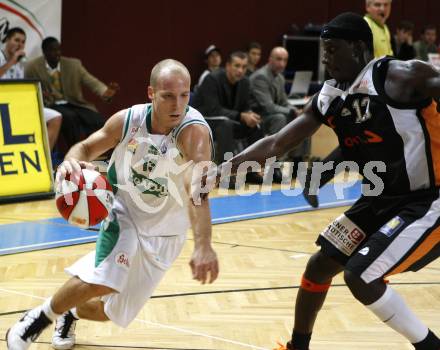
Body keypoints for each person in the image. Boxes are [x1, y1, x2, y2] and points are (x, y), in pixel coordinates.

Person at [215, 12, 440, 350]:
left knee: (360, 275)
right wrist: (223, 169)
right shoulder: (331, 96)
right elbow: (278, 143)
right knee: (320, 267)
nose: (325, 57)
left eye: (333, 49)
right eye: (324, 50)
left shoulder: (401, 77)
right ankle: (298, 346)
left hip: (427, 200)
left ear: (359, 48)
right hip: (380, 199)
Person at [6, 59, 219, 350]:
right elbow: (85, 148)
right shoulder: (128, 121)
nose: (177, 104)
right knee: (106, 280)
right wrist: (70, 163)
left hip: (167, 233)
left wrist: (203, 244)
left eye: (184, 95)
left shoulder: (193, 133)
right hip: (125, 213)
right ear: (151, 93)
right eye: (168, 95)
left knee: (109, 312)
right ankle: (34, 321)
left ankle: (69, 311)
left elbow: (197, 194)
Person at [24, 37, 120, 149]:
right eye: (52, 50)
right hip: (51, 105)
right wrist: (41, 94)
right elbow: (30, 90)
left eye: (58, 49)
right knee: (70, 118)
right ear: (45, 52)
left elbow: (91, 81)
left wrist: (106, 92)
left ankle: (98, 150)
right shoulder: (32, 67)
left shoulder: (73, 65)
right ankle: (74, 151)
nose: (57, 53)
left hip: (74, 103)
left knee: (96, 119)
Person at [191, 51, 264, 173]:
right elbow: (214, 109)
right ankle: (227, 173)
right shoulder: (212, 79)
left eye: (244, 67)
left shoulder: (245, 82)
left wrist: (250, 114)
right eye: (237, 66)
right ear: (228, 66)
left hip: (230, 120)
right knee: (225, 125)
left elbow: (245, 106)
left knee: (255, 126)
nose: (240, 70)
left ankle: (253, 171)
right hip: (206, 121)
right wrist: (241, 115)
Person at [0, 27, 62, 150]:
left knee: (56, 117)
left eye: (23, 42)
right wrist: (12, 61)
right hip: (2, 106)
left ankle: (44, 160)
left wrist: (38, 93)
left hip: (15, 105)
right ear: (7, 40)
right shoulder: (5, 57)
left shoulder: (20, 63)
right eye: (16, 40)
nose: (20, 44)